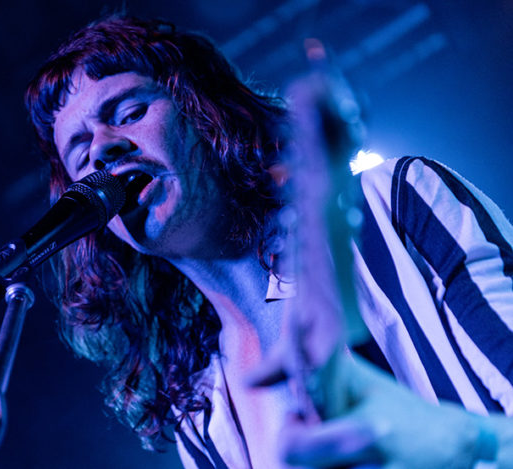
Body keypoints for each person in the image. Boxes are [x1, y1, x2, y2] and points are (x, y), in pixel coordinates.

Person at [25, 15, 513, 468]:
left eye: (130, 111)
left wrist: (465, 441)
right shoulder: (202, 420)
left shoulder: (395, 204)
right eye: (81, 154)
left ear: (202, 111)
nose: (103, 148)